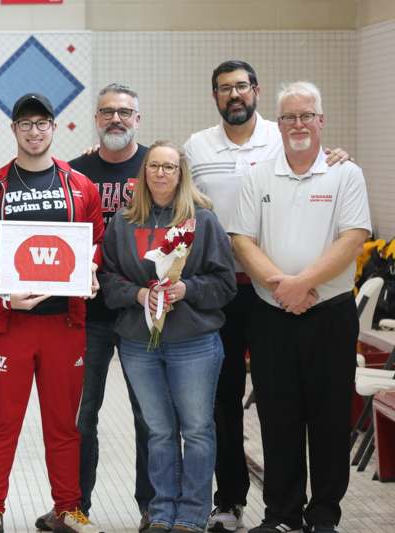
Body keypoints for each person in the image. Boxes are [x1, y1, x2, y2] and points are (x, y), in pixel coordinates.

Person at [183, 60, 348, 533]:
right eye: (224, 88)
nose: (234, 95)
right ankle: (230, 501)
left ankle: (298, 510)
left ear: (255, 90)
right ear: (214, 96)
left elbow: (317, 162)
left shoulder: (285, 133)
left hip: (276, 291)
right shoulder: (197, 146)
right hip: (219, 291)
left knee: (284, 401)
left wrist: (336, 155)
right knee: (223, 398)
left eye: (241, 86)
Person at [230, 81, 370, 533]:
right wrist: (283, 288)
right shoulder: (258, 176)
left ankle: (324, 516)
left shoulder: (345, 174)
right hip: (270, 316)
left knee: (330, 419)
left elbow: (353, 237)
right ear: (279, 124)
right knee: (278, 417)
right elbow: (242, 240)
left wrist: (302, 285)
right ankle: (282, 515)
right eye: (289, 116)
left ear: (321, 120)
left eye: (306, 115)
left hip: (330, 314)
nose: (298, 124)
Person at [0, 93, 104, 533]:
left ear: (54, 128)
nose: (34, 131)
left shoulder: (80, 187)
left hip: (65, 325)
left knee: (64, 426)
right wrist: (3, 297)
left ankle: (68, 508)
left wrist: (91, 270)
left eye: (42, 123)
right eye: (25, 123)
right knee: (1, 425)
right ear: (14, 130)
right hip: (12, 327)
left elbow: (96, 242)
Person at [100, 140, 236, 533]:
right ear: (143, 173)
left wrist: (187, 289)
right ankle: (161, 512)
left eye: (169, 167)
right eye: (154, 166)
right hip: (139, 344)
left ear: (181, 174)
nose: (161, 173)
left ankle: (191, 514)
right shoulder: (123, 222)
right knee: (158, 431)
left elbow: (225, 283)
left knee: (196, 430)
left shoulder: (202, 221)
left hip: (194, 344)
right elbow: (107, 279)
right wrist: (138, 295)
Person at [35, 83, 154, 533]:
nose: (116, 119)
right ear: (96, 119)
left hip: (144, 312)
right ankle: (73, 505)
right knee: (81, 416)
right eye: (107, 112)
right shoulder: (74, 171)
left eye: (124, 111)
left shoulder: (156, 166)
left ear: (137, 118)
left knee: (149, 416)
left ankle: (154, 507)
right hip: (89, 314)